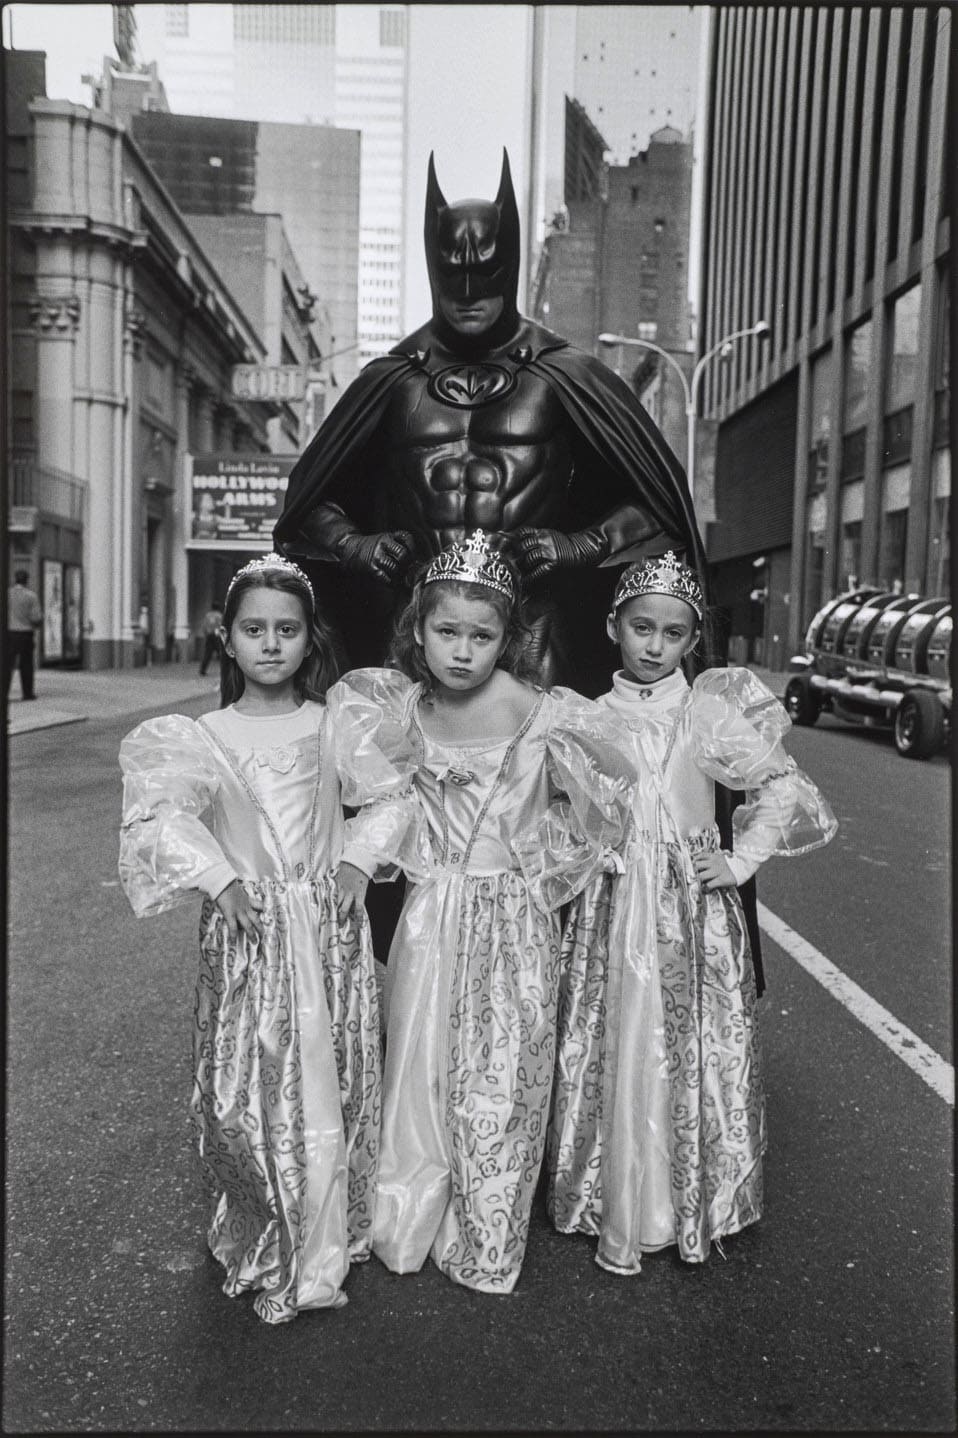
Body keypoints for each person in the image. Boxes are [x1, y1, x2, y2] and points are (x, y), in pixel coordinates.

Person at [274, 150, 709, 696]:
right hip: (418, 629)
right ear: (434, 267)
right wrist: (353, 543)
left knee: (535, 771)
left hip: (532, 631)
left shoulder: (562, 374)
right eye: (454, 273)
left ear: (510, 265)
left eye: (486, 271)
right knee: (401, 774)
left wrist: (585, 543)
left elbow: (658, 500)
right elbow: (308, 501)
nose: (469, 289)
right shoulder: (394, 379)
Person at [118, 553, 418, 1324]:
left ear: (308, 638)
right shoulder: (202, 735)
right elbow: (162, 818)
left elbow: (390, 797)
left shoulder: (332, 725)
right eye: (255, 629)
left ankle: (322, 1227)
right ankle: (265, 1218)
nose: (272, 644)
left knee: (330, 1074)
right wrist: (220, 879)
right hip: (250, 934)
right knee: (251, 1087)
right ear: (228, 638)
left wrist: (356, 860)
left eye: (287, 630)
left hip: (323, 931)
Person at [342, 530, 635, 1294]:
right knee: (419, 1057)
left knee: (503, 1068)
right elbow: (384, 804)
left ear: (509, 637)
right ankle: (409, 1207)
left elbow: (598, 804)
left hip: (513, 916)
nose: (463, 652)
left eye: (483, 635)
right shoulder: (398, 709)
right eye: (447, 633)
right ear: (418, 630)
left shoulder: (544, 713)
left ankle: (487, 1223)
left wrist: (544, 864)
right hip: (432, 911)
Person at [547, 553, 837, 1274]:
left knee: (685, 1040)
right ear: (614, 626)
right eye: (642, 627)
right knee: (613, 1033)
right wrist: (591, 849)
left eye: (672, 634)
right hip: (613, 904)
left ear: (691, 641)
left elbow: (778, 785)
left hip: (687, 906)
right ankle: (607, 1190)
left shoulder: (706, 713)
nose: (654, 645)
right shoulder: (587, 716)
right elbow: (561, 811)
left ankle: (687, 1197)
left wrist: (737, 864)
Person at [7, 569, 43, 700]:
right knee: (26, 664)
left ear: (15, 579)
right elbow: (36, 617)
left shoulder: (7, 594)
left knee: (6, 664)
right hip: (25, 633)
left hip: (9, 633)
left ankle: (3, 692)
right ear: (27, 580)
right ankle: (27, 693)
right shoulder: (31, 596)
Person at [198, 601, 224, 675]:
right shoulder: (219, 615)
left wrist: (206, 633)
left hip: (209, 635)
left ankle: (202, 670)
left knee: (207, 653)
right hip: (216, 635)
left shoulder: (208, 615)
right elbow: (221, 625)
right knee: (221, 653)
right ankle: (226, 669)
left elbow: (204, 625)